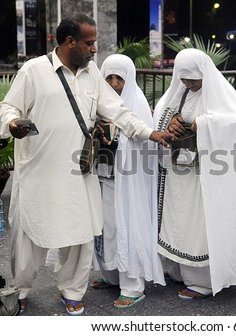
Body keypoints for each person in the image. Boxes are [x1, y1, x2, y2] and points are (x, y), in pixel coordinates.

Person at [0, 14, 172, 316]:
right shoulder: (34, 71)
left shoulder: (92, 75)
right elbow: (8, 106)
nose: (94, 50)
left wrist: (150, 132)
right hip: (40, 172)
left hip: (79, 172)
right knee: (31, 235)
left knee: (80, 236)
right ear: (69, 42)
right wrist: (12, 122)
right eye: (90, 43)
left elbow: (118, 112)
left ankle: (72, 290)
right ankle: (21, 289)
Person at [153, 48, 236, 299]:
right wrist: (170, 122)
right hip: (179, 173)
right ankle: (181, 271)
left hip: (206, 176)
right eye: (183, 78)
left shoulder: (218, 93)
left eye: (192, 78)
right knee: (180, 220)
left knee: (200, 225)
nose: (187, 83)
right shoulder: (179, 92)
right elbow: (160, 117)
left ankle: (202, 281)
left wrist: (204, 123)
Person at [90, 54, 165, 308]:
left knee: (126, 226)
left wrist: (119, 138)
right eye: (108, 78)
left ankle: (132, 285)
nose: (113, 84)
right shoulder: (99, 104)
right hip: (103, 175)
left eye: (119, 78)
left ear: (128, 79)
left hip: (127, 183)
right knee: (105, 230)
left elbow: (142, 142)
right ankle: (111, 275)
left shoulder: (138, 105)